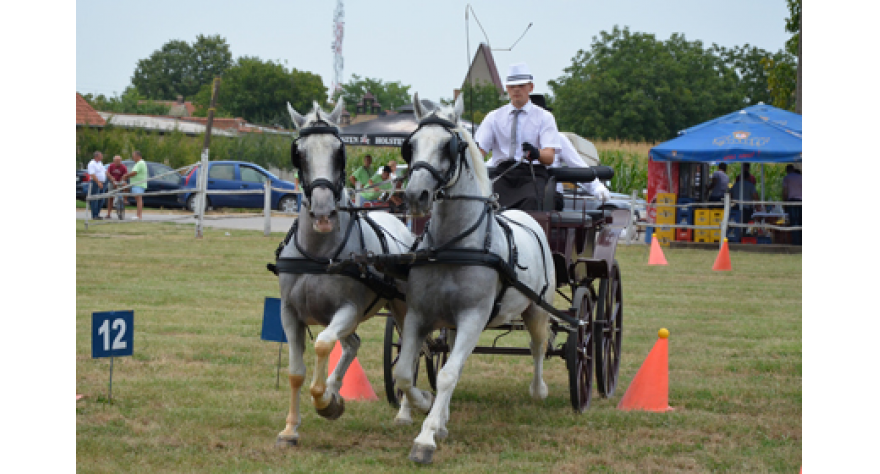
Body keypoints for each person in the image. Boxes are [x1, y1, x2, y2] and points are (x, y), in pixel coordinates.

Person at [475, 62, 561, 210]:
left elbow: (549, 156)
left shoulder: (544, 117)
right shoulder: (494, 117)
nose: (516, 90)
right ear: (506, 89)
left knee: (532, 200)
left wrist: (536, 153)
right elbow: (478, 152)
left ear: (530, 87)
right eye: (512, 86)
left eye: (521, 86)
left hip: (532, 174)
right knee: (485, 200)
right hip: (503, 173)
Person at [123, 150, 148, 220]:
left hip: (139, 184)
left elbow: (134, 173)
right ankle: (138, 214)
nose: (133, 158)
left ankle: (138, 215)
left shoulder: (140, 163)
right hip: (136, 184)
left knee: (139, 199)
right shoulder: (138, 163)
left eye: (134, 156)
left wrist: (126, 176)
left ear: (138, 156)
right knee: (138, 199)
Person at [782, 164, 802, 245]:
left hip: (792, 201)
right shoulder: (801, 177)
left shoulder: (787, 178)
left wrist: (784, 202)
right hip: (802, 201)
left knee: (794, 221)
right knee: (801, 221)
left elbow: (785, 192)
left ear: (787, 170)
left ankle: (795, 242)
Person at [87, 151, 107, 219]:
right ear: (96, 156)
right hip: (96, 182)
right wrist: (98, 182)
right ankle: (94, 215)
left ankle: (97, 214)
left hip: (102, 182)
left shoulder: (100, 163)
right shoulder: (92, 163)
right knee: (95, 199)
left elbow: (104, 171)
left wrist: (111, 178)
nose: (102, 157)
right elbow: (92, 174)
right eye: (100, 156)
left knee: (101, 199)